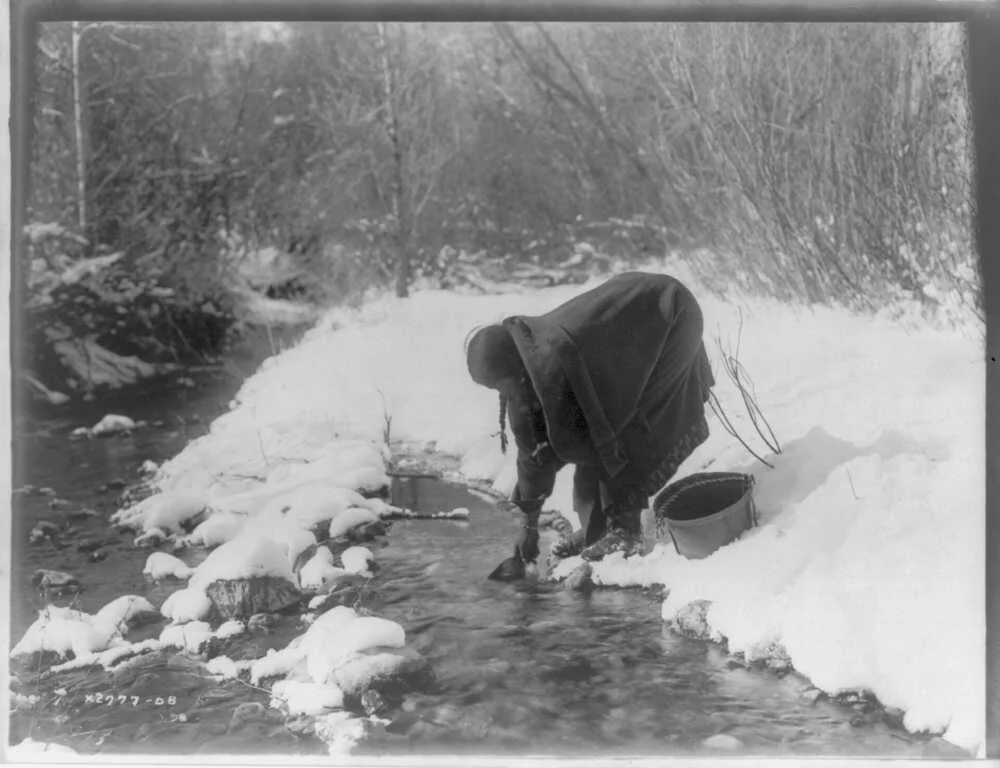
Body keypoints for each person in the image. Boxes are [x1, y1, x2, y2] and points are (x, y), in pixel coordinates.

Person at [466, 272, 715, 579]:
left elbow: (602, 440)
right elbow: (533, 453)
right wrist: (528, 525)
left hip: (669, 317)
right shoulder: (524, 373)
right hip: (626, 335)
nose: (501, 394)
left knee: (620, 431)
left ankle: (624, 532)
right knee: (586, 437)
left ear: (513, 368)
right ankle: (597, 529)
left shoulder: (554, 362)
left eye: (499, 385)